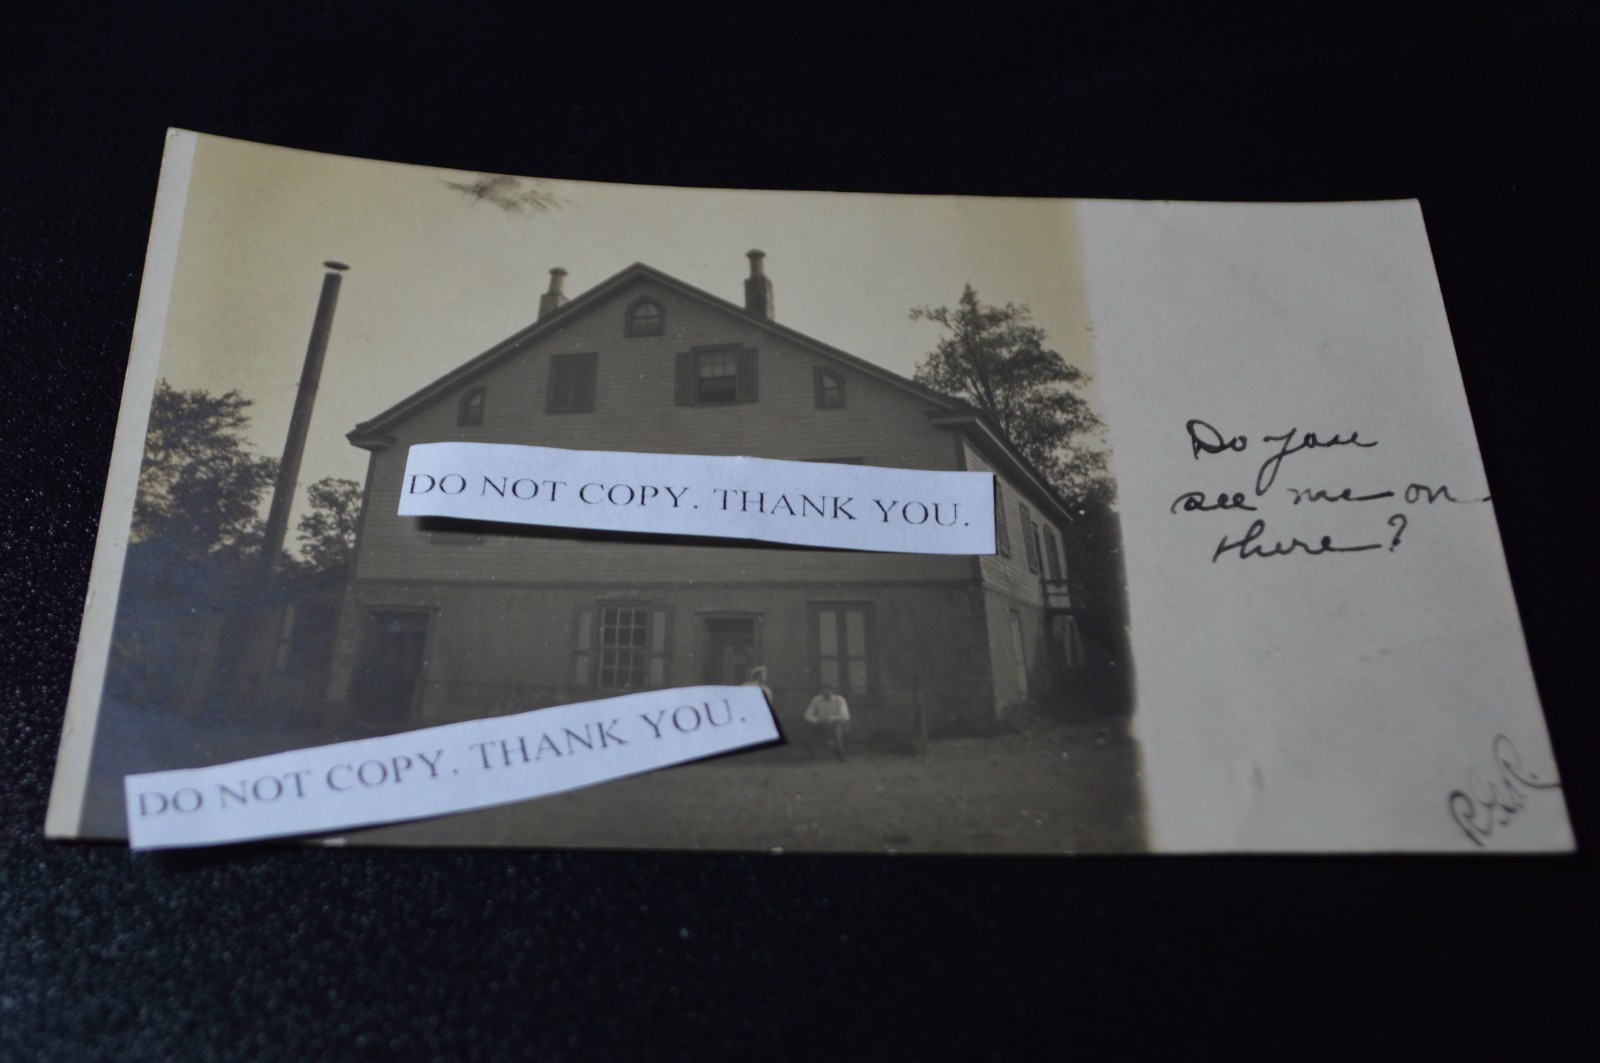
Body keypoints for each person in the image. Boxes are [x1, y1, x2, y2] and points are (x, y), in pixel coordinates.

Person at [803, 684, 851, 760]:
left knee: (838, 725)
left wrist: (830, 718)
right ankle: (813, 750)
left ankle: (839, 750)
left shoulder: (840, 699)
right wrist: (817, 720)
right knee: (809, 726)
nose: (826, 693)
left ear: (833, 691)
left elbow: (844, 715)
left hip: (837, 722)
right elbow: (807, 714)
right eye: (824, 691)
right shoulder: (816, 699)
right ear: (821, 692)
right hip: (821, 724)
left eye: (828, 691)